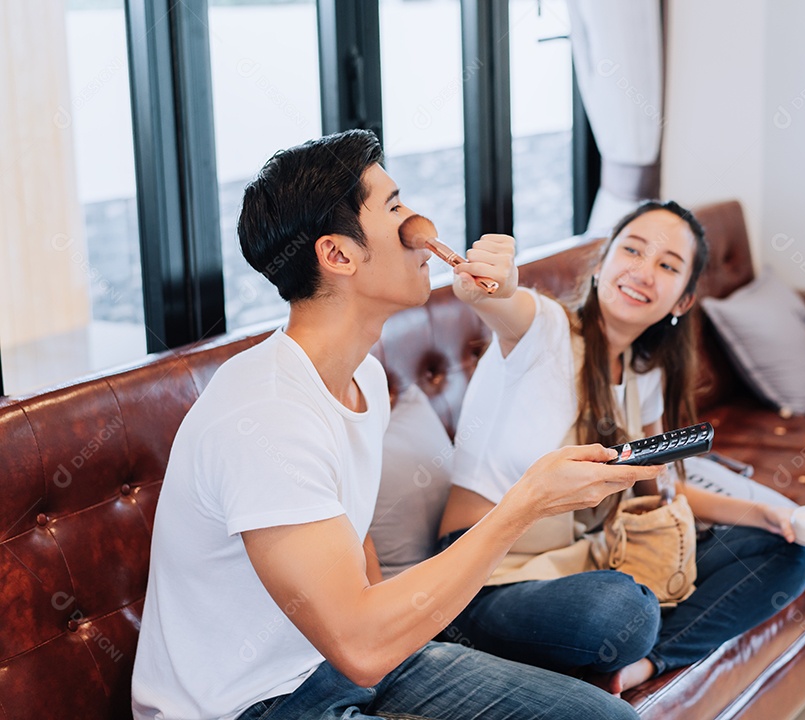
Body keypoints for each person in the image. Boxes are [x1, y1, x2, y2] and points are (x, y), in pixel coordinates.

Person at [129, 129, 661, 720]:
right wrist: (526, 503)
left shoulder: (367, 381)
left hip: (342, 666)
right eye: (395, 207)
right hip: (252, 704)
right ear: (337, 255)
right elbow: (358, 645)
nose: (421, 225)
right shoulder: (267, 414)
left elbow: (353, 547)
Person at [438, 200, 805, 693]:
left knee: (785, 554)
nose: (643, 271)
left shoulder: (644, 377)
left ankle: (639, 666)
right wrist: (489, 283)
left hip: (592, 564)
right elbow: (501, 300)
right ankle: (594, 647)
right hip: (484, 582)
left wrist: (765, 514)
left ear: (682, 301)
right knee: (623, 610)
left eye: (668, 265)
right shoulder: (544, 330)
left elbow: (662, 494)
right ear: (603, 261)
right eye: (632, 250)